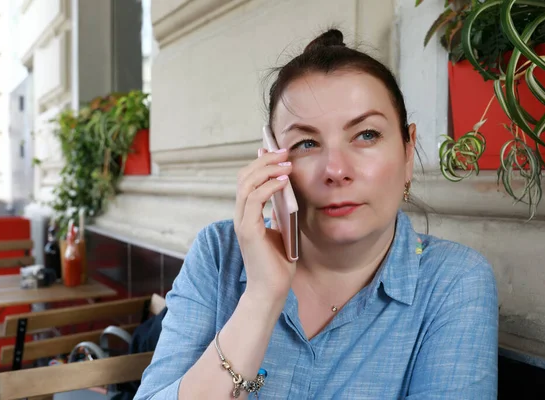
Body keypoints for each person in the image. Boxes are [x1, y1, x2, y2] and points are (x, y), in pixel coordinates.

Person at [134, 29, 498, 400]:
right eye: (306, 143)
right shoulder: (220, 252)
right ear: (272, 161)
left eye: (366, 135)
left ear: (408, 152)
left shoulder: (453, 281)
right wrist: (262, 296)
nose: (336, 169)